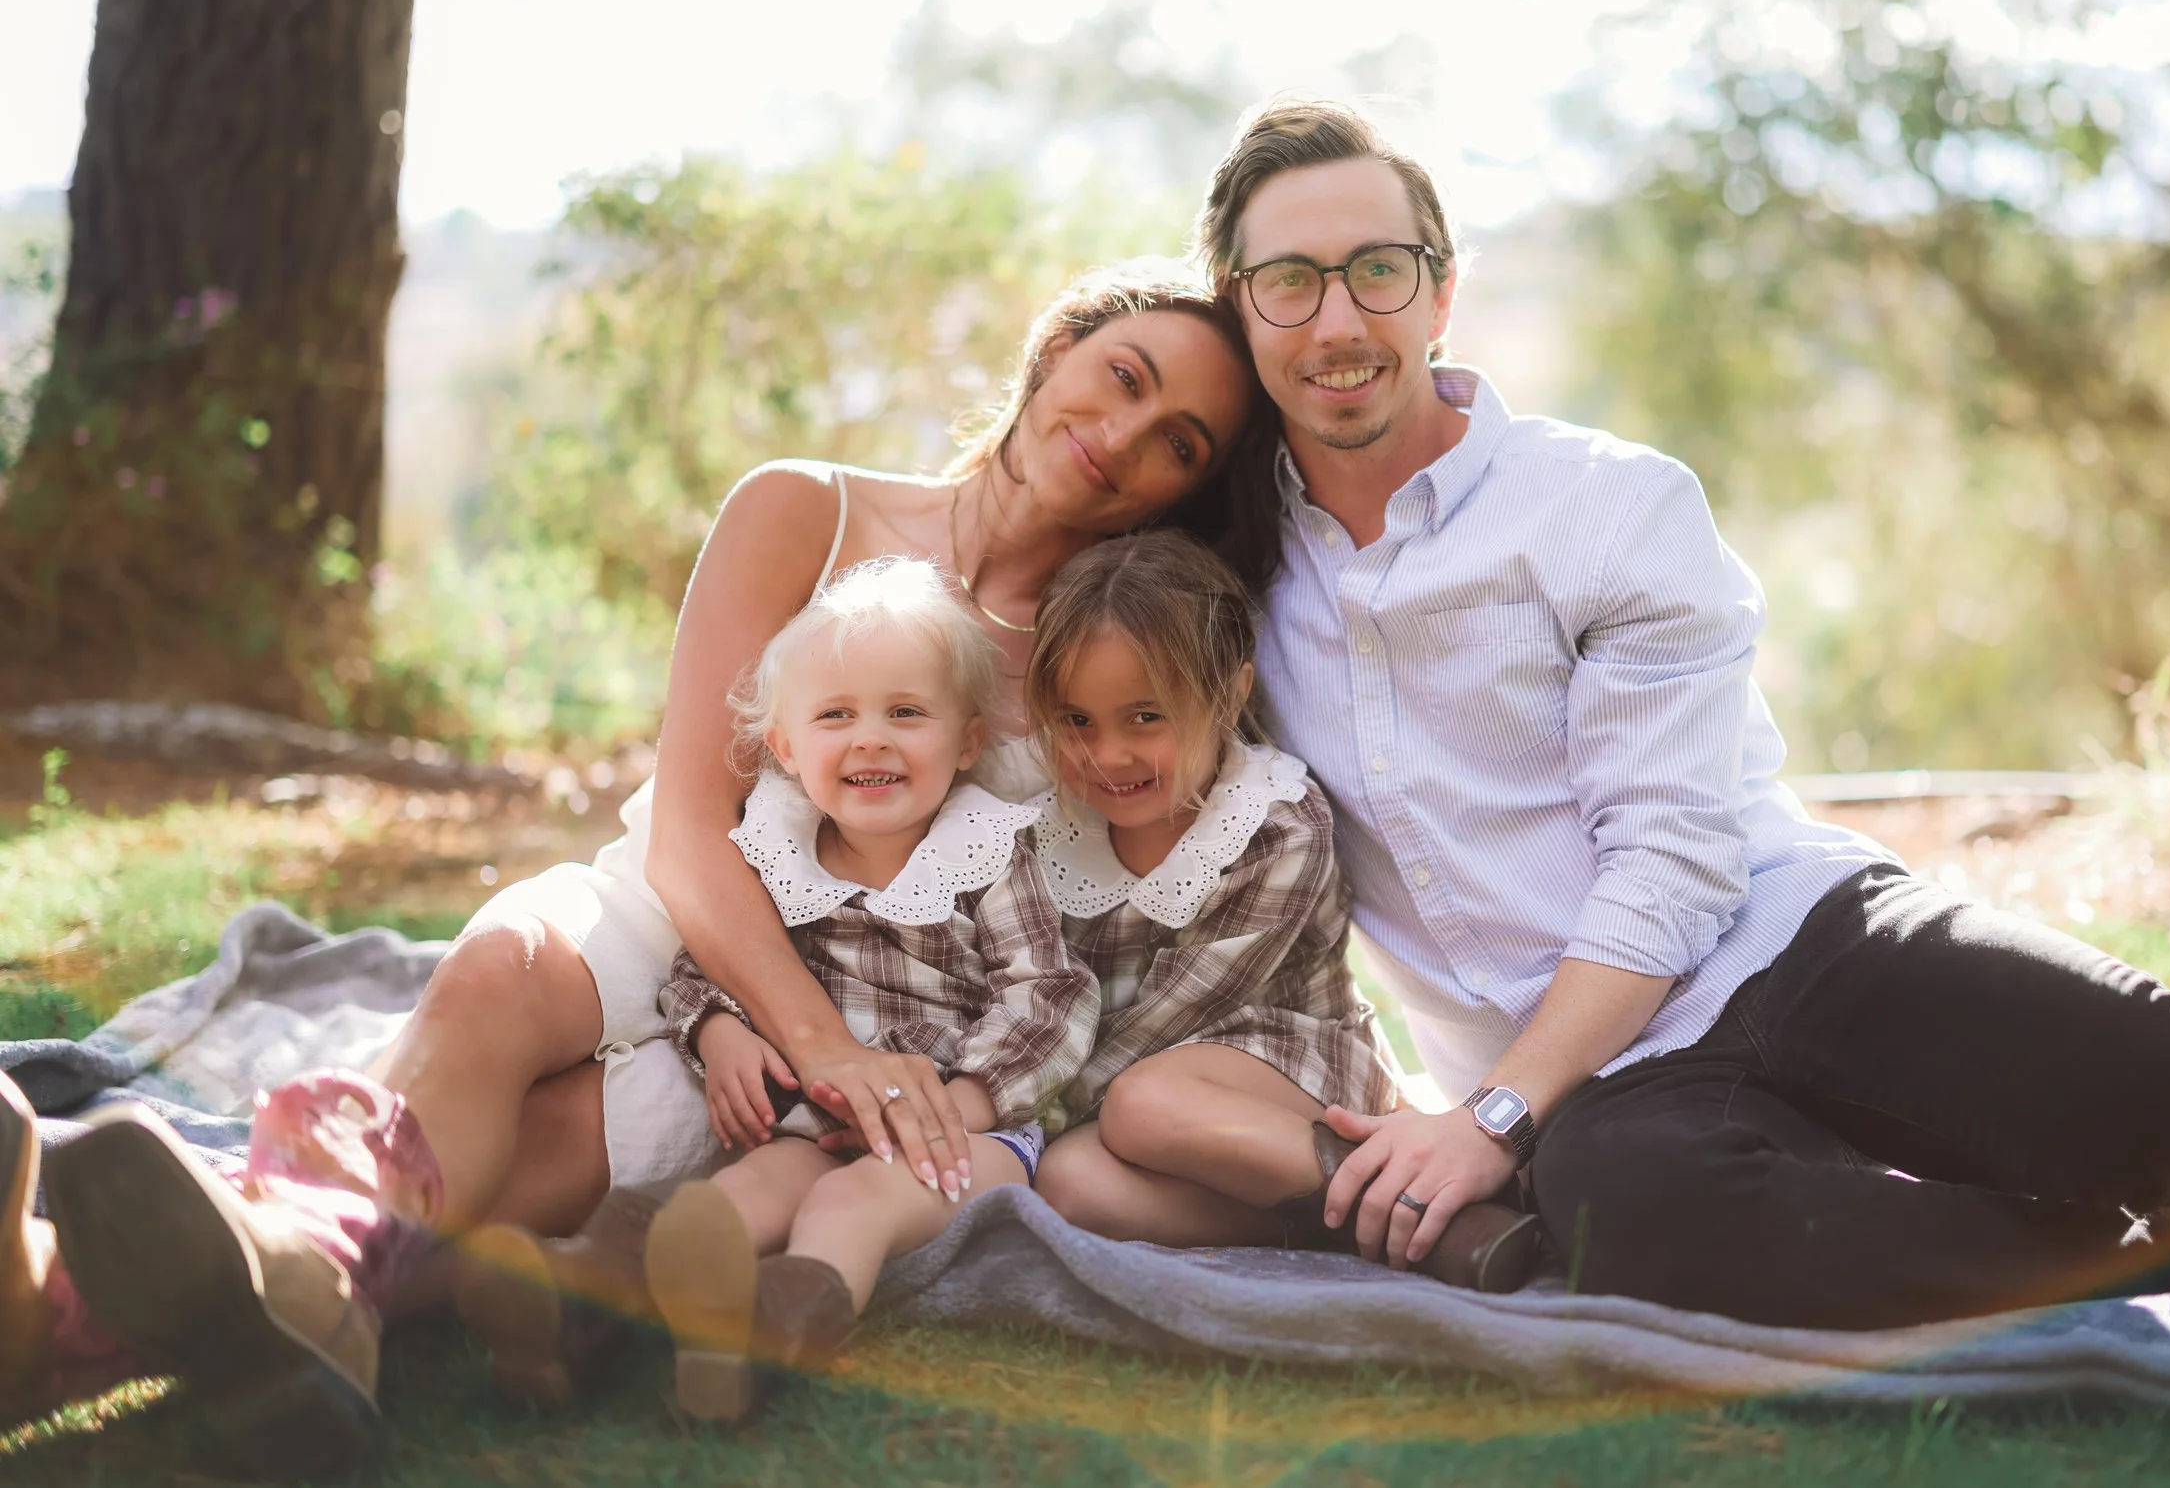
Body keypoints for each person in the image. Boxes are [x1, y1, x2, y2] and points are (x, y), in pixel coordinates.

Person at [1191, 96, 2170, 1327]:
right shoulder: (1218, 573)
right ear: (1242, 312)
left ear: (1442, 290)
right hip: (1600, 1084)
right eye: (1289, 281)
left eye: (1378, 269)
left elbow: (1675, 861)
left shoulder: (1609, 506)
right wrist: (1512, 1109)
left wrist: (1488, 1119)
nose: (1336, 318)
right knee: (1633, 1225)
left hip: (1788, 933)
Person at [20, 261, 1267, 1468]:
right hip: (678, 908)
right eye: (1121, 373)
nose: (1125, 429)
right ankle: (281, 1285)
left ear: (1175, 494)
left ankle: (64, 1307)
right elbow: (686, 825)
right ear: (1053, 351)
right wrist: (807, 1041)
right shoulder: (804, 506)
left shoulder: (1096, 664)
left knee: (524, 1164)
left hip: (832, 1023)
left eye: (1178, 440)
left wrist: (841, 1059)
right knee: (499, 969)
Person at [463, 556, 1094, 1420]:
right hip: (823, 1123)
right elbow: (707, 966)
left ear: (968, 739)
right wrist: (720, 1031)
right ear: (789, 748)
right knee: (741, 1195)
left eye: (906, 713)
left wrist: (965, 1101)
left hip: (969, 1140)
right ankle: (579, 1295)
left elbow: (1050, 995)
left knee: (852, 1200)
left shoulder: (991, 852)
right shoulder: (781, 853)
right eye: (836, 715)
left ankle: (768, 1328)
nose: (870, 738)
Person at [1020, 529, 1543, 1290]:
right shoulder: (1047, 830)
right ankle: (1374, 1228)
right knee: (1067, 1183)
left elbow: (1168, 1022)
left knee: (1144, 1103)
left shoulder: (1272, 823)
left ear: (1230, 694)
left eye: (1145, 717)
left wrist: (1021, 1110)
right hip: (1130, 1096)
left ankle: (1440, 1195)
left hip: (1292, 1069)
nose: (1108, 755)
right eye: (1077, 721)